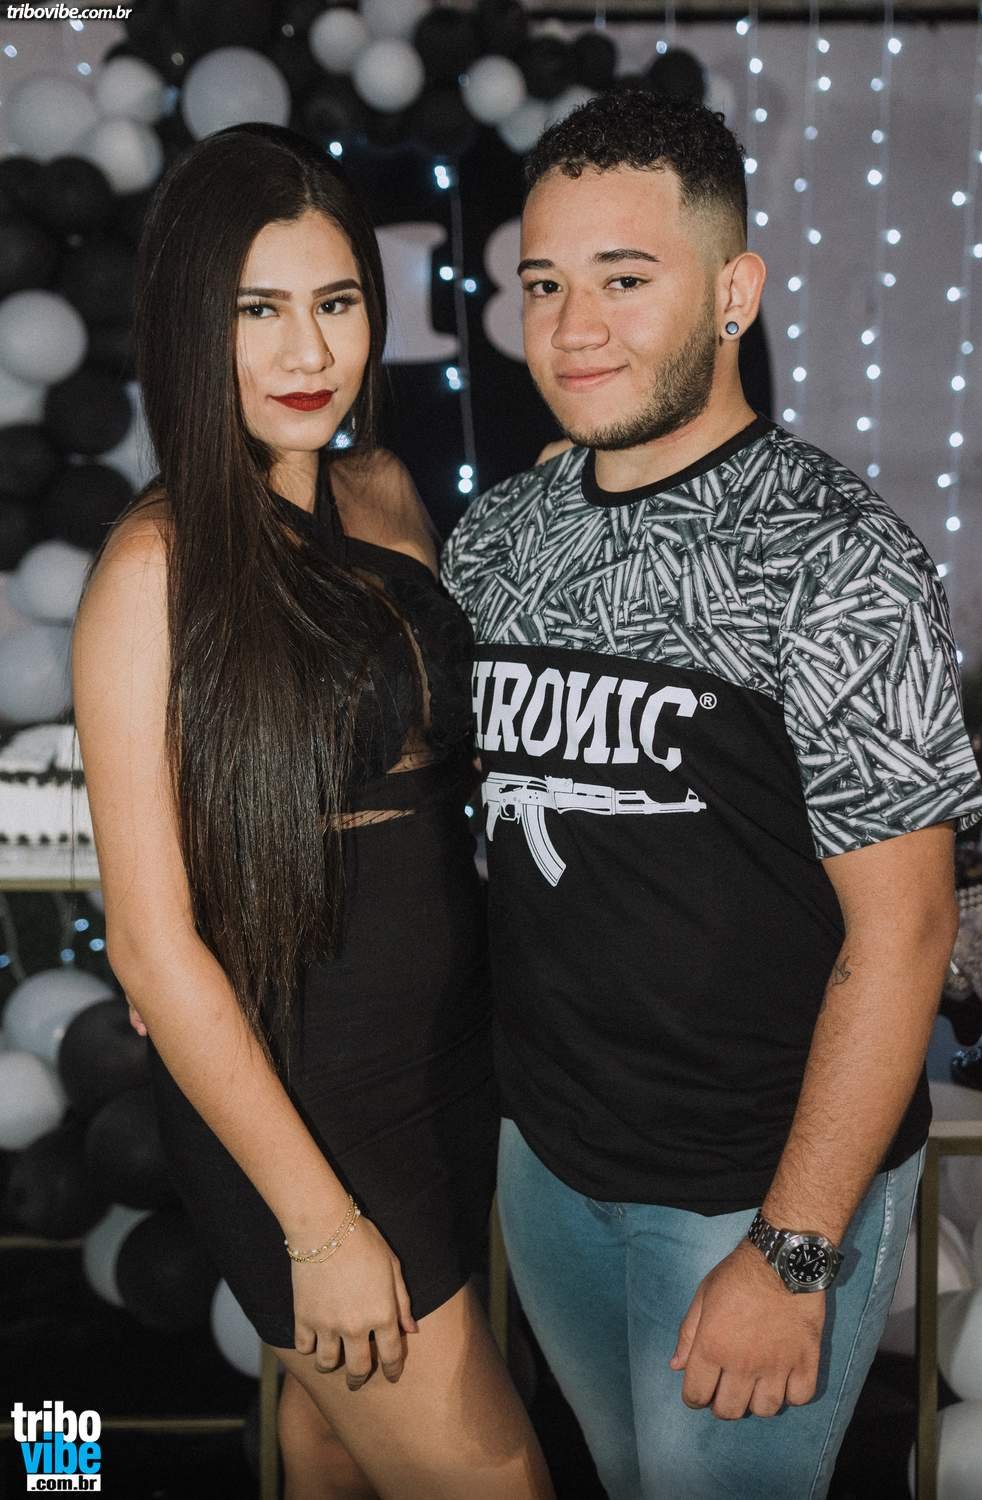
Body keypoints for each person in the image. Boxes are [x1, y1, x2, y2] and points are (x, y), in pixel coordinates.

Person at [441, 92, 982, 1500]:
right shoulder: (498, 538)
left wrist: (793, 1251)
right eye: (545, 284)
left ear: (735, 293)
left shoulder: (837, 557)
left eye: (625, 279)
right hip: (550, 1165)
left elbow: (906, 935)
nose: (573, 329)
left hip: (755, 1192)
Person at [72, 122, 553, 1500]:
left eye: (336, 303)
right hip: (307, 1105)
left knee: (337, 1440)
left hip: (449, 1064)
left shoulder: (384, 491)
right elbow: (152, 946)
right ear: (190, 326)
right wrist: (319, 1226)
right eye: (258, 311)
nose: (308, 352)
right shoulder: (152, 573)